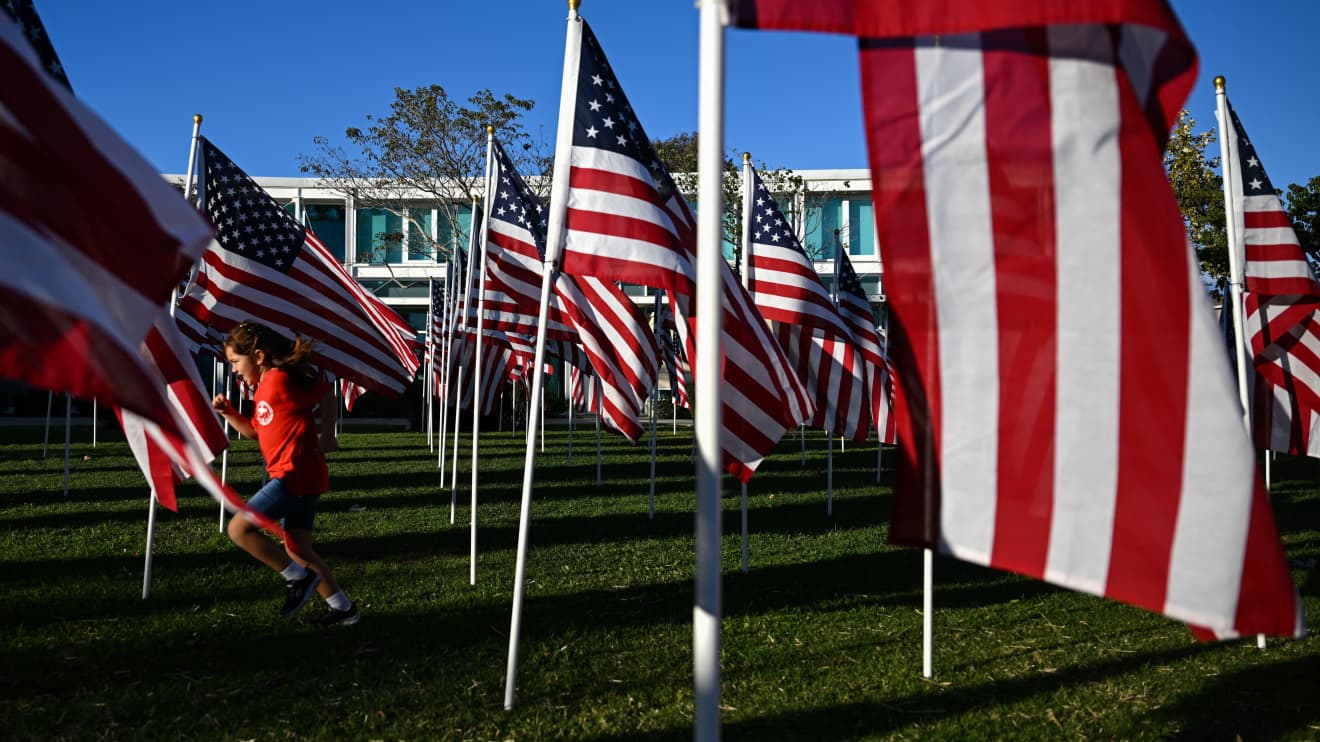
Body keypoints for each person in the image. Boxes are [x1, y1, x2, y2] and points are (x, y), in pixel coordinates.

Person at [211, 320, 359, 627]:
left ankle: (297, 578)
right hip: (301, 477)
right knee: (298, 547)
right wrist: (230, 414)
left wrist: (329, 435)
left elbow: (326, 394)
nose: (234, 370)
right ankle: (343, 609)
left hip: (294, 475)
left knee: (239, 529)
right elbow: (255, 431)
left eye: (236, 362)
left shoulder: (279, 380)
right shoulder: (264, 388)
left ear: (259, 356)